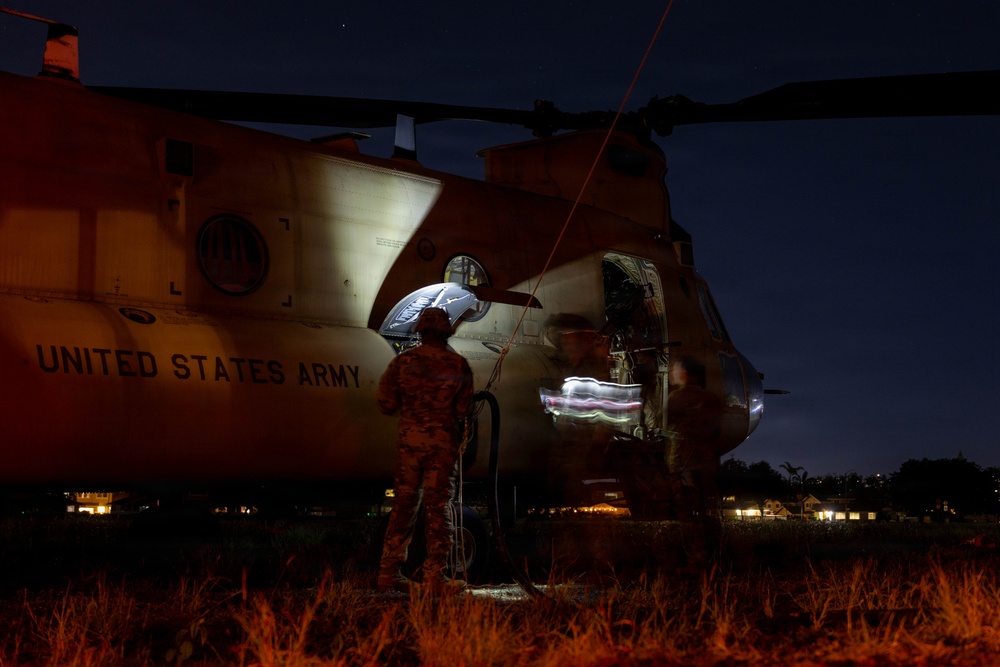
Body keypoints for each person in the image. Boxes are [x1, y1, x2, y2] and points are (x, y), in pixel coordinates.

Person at [376, 307, 475, 593]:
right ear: (446, 331)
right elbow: (462, 409)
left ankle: (388, 572)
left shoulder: (402, 363)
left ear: (420, 331)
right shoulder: (458, 365)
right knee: (437, 509)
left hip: (409, 445)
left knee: (404, 506)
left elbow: (385, 403)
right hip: (441, 447)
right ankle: (435, 577)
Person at [666, 355, 724, 572]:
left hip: (682, 464)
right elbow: (717, 431)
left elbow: (666, 425)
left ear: (685, 374)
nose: (672, 373)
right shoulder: (711, 399)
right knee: (709, 512)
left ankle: (696, 561)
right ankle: (717, 558)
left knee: (688, 515)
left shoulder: (675, 398)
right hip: (707, 464)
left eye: (675, 370)